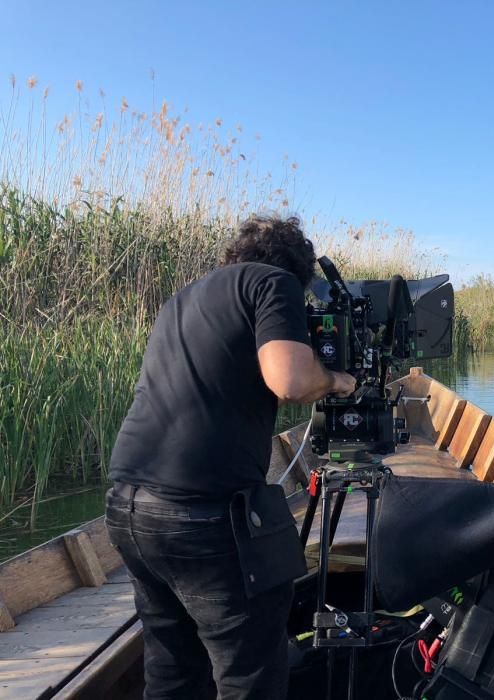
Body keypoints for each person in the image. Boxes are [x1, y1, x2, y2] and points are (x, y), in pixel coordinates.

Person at [105, 215, 356, 700]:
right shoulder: (272, 281)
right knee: (249, 677)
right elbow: (290, 381)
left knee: (172, 668)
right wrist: (336, 381)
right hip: (200, 516)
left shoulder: (183, 298)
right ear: (296, 269)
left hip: (128, 507)